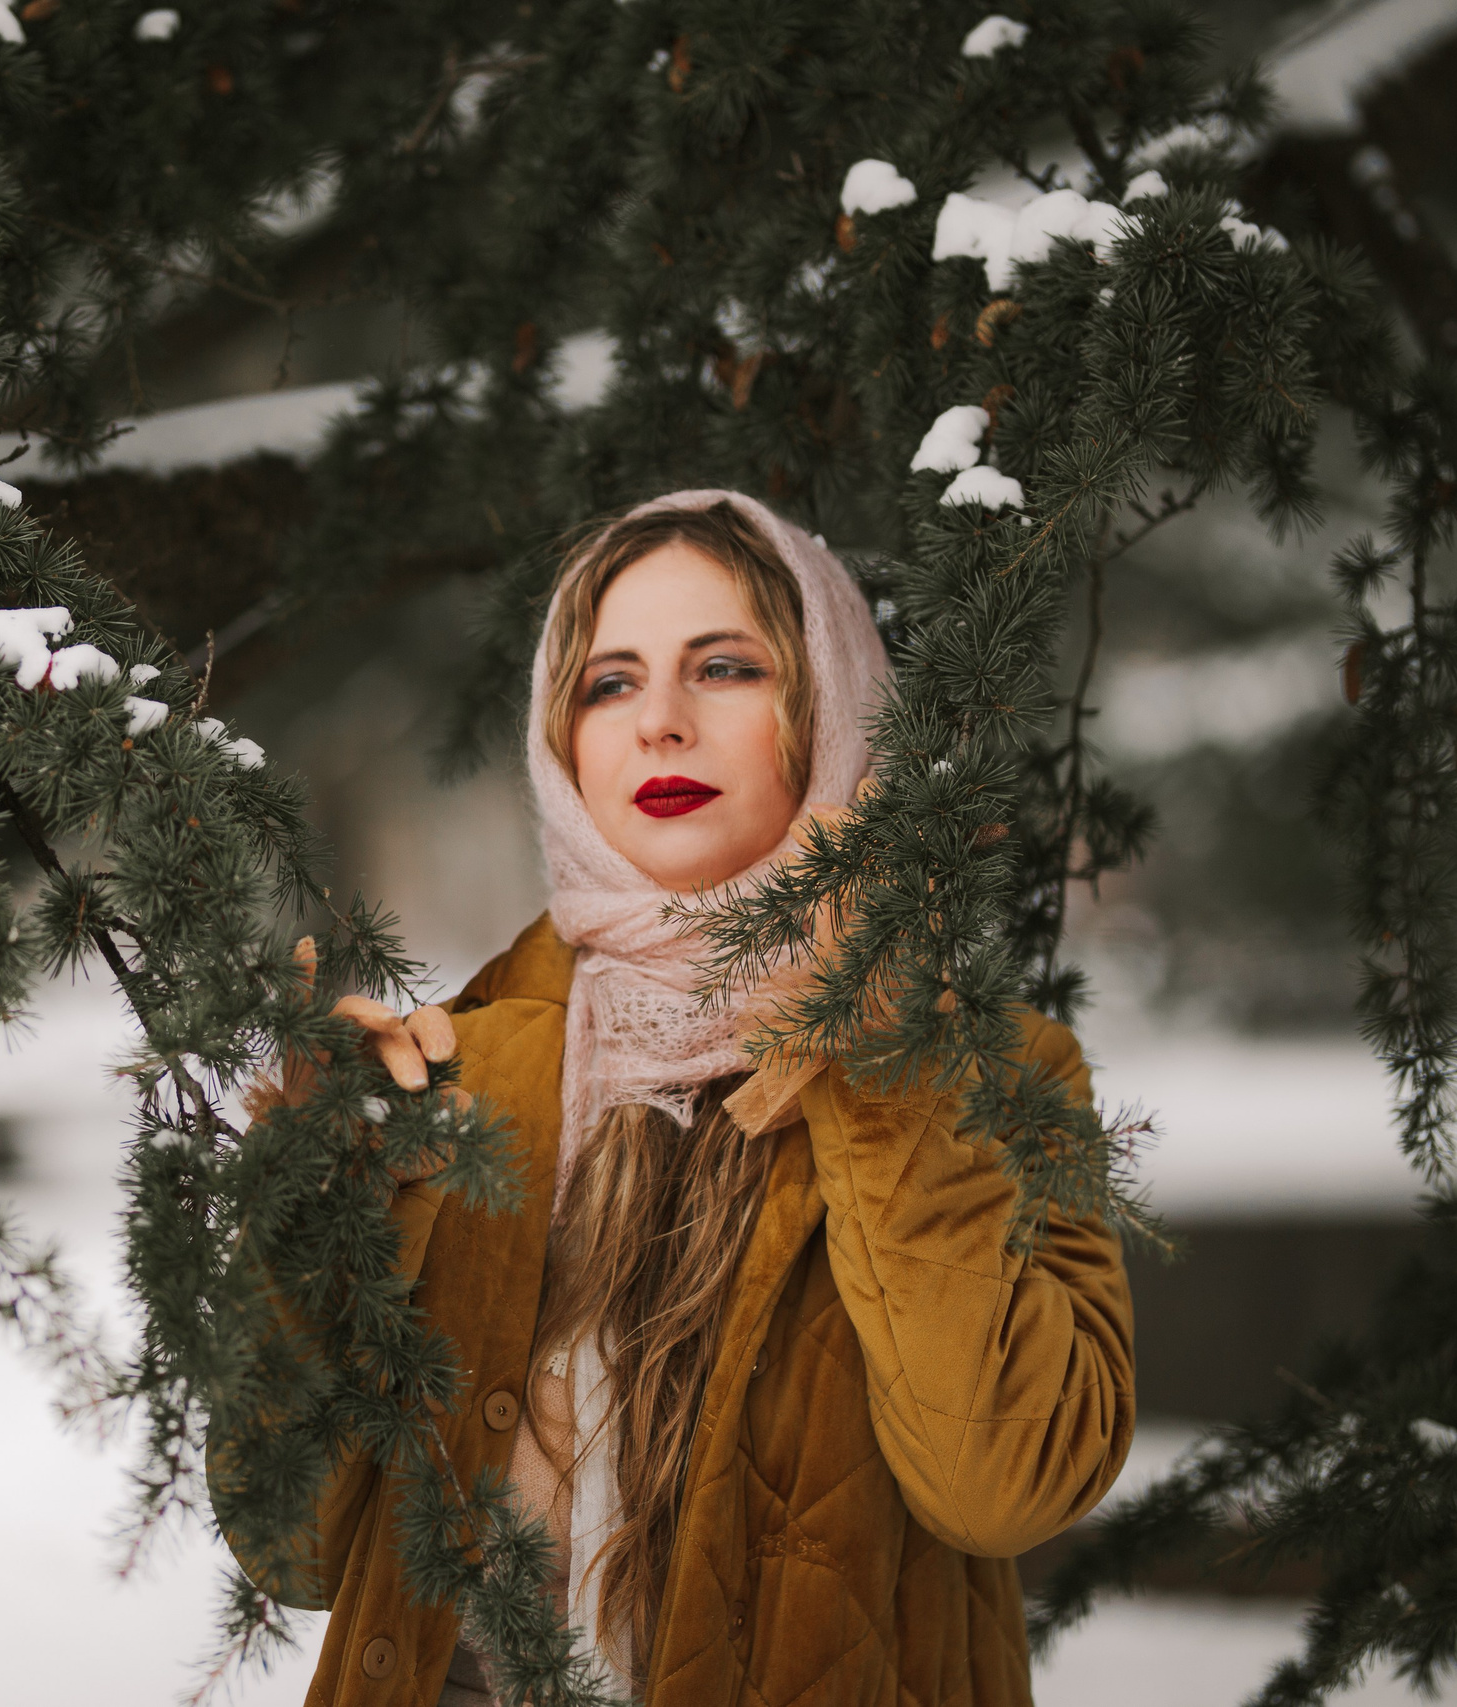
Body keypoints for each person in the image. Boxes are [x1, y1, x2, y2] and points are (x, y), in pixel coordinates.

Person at [228, 490, 1134, 1707]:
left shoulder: (987, 1077)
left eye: (724, 666)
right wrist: (308, 1214)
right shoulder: (447, 1073)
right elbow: (289, 1548)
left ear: (834, 706)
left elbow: (1004, 1483)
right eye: (608, 683)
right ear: (561, 741)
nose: (658, 722)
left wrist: (877, 1061)